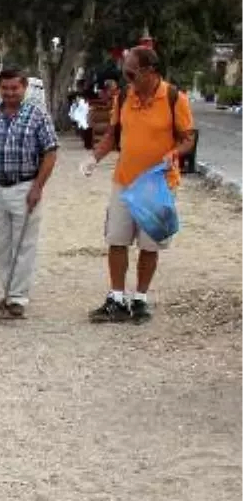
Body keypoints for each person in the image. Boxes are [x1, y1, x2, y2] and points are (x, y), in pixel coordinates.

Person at [81, 46, 194, 324]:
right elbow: (113, 135)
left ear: (150, 71)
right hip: (125, 181)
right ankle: (116, 298)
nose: (126, 78)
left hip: (158, 185)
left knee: (150, 244)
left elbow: (188, 137)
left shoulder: (173, 98)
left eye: (131, 72)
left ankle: (140, 299)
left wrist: (174, 153)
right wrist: (93, 158)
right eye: (125, 72)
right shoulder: (124, 97)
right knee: (116, 240)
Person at [0, 67, 59, 319]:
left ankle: (18, 298)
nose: (10, 93)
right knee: (0, 245)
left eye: (15, 88)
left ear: (24, 88)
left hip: (24, 187)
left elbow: (51, 152)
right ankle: (8, 291)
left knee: (24, 244)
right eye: (5, 88)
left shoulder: (37, 115)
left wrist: (37, 187)